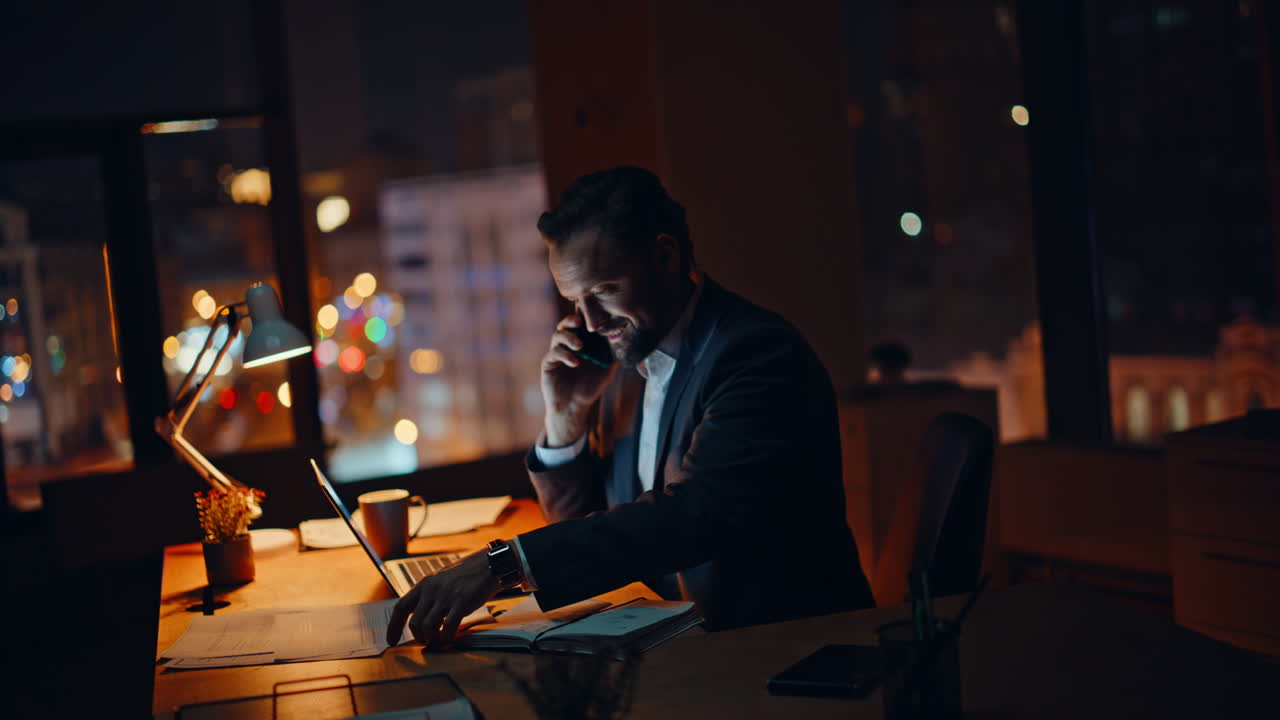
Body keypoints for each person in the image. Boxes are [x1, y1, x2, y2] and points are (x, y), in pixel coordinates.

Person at [386, 166, 874, 647]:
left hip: (776, 650)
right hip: (679, 642)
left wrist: (503, 564)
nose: (590, 321)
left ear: (665, 257)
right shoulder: (629, 357)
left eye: (602, 292)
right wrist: (566, 415)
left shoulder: (757, 355)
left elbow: (690, 517)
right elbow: (595, 523)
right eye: (575, 300)